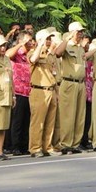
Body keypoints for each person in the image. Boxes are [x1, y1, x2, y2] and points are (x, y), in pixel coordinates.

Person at [54, 22, 87, 154]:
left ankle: (75, 143)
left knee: (79, 115)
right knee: (68, 114)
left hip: (80, 83)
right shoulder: (66, 44)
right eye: (78, 31)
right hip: (68, 82)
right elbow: (57, 53)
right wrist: (67, 38)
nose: (80, 34)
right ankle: (66, 143)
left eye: (81, 32)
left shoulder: (80, 48)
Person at [28, 29, 57, 157]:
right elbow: (33, 59)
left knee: (50, 122)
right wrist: (40, 44)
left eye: (50, 39)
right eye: (47, 39)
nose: (49, 41)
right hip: (39, 90)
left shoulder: (50, 55)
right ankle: (35, 148)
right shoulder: (33, 52)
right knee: (37, 122)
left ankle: (47, 147)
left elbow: (53, 74)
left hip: (51, 89)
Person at [6, 30, 33, 155]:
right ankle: (14, 145)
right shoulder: (17, 53)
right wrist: (20, 44)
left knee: (27, 119)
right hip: (18, 90)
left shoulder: (30, 54)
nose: (30, 43)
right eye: (27, 40)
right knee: (17, 120)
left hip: (30, 91)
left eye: (30, 40)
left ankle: (24, 145)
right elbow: (8, 55)